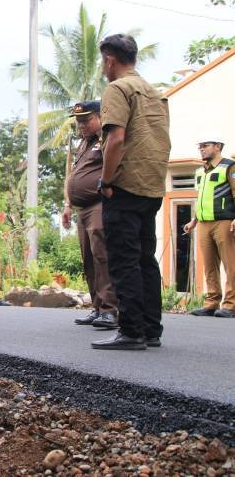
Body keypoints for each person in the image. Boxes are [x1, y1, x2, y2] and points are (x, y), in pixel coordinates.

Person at [91, 34, 171, 351]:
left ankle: (131, 331)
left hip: (124, 186)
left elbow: (116, 139)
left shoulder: (118, 88)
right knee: (145, 259)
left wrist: (106, 181)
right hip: (152, 185)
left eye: (103, 61)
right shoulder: (154, 92)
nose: (103, 67)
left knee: (124, 261)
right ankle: (151, 329)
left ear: (110, 59)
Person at [62, 101, 119, 328]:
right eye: (78, 121)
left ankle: (109, 310)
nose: (81, 125)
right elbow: (73, 174)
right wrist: (67, 205)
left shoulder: (107, 138)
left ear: (99, 117)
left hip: (99, 204)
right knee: (88, 259)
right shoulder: (84, 143)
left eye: (86, 120)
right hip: (81, 209)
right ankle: (97, 307)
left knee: (101, 257)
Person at [183, 138, 235, 318]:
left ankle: (230, 305)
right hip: (204, 223)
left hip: (225, 222)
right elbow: (202, 198)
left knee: (231, 265)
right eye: (200, 146)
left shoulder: (230, 166)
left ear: (218, 146)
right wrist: (194, 220)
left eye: (205, 146)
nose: (201, 149)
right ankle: (212, 303)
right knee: (209, 266)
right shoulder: (201, 171)